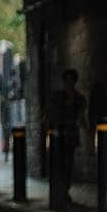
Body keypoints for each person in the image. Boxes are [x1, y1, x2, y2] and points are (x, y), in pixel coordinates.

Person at [47, 68, 86, 203]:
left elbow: (81, 117)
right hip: (59, 135)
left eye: (71, 80)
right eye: (67, 80)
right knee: (59, 163)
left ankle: (64, 190)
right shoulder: (58, 97)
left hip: (70, 134)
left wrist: (88, 131)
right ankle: (59, 191)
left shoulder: (79, 99)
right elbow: (52, 113)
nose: (69, 83)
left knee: (68, 163)